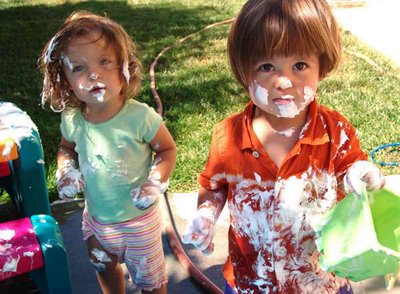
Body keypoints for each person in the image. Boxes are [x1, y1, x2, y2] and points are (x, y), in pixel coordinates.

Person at [182, 0, 385, 293]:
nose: (284, 81)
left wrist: (360, 173)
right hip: (251, 281)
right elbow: (214, 186)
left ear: (322, 65)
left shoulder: (334, 130)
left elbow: (349, 168)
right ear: (244, 70)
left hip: (320, 280)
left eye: (299, 65)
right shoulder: (229, 136)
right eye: (266, 66)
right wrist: (206, 214)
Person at [39, 11, 176, 294]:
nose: (93, 74)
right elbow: (66, 148)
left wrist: (153, 182)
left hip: (139, 224)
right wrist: (66, 170)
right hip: (98, 221)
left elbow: (167, 149)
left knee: (151, 285)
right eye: (78, 68)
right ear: (64, 80)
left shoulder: (141, 118)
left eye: (104, 61)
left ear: (125, 67)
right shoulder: (74, 118)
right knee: (103, 265)